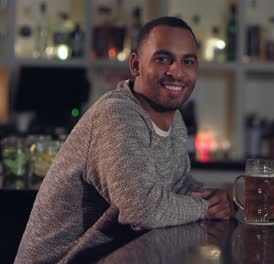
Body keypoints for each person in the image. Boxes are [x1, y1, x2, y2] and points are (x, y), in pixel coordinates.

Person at [15, 16, 235, 263]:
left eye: (188, 61)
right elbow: (142, 208)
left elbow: (176, 183)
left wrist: (219, 200)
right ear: (135, 65)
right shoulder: (117, 114)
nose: (176, 72)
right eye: (163, 59)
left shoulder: (175, 121)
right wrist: (206, 209)